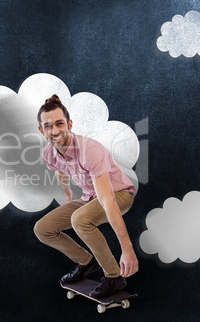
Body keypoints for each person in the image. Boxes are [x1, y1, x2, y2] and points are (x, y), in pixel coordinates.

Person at [34, 94, 138, 299]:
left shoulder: (89, 150)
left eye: (59, 124)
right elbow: (60, 170)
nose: (54, 131)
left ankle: (114, 276)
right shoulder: (48, 152)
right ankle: (87, 261)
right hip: (90, 197)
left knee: (80, 219)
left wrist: (127, 249)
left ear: (69, 123)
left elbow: (107, 200)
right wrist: (68, 194)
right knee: (43, 229)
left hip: (119, 194)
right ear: (41, 130)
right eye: (48, 126)